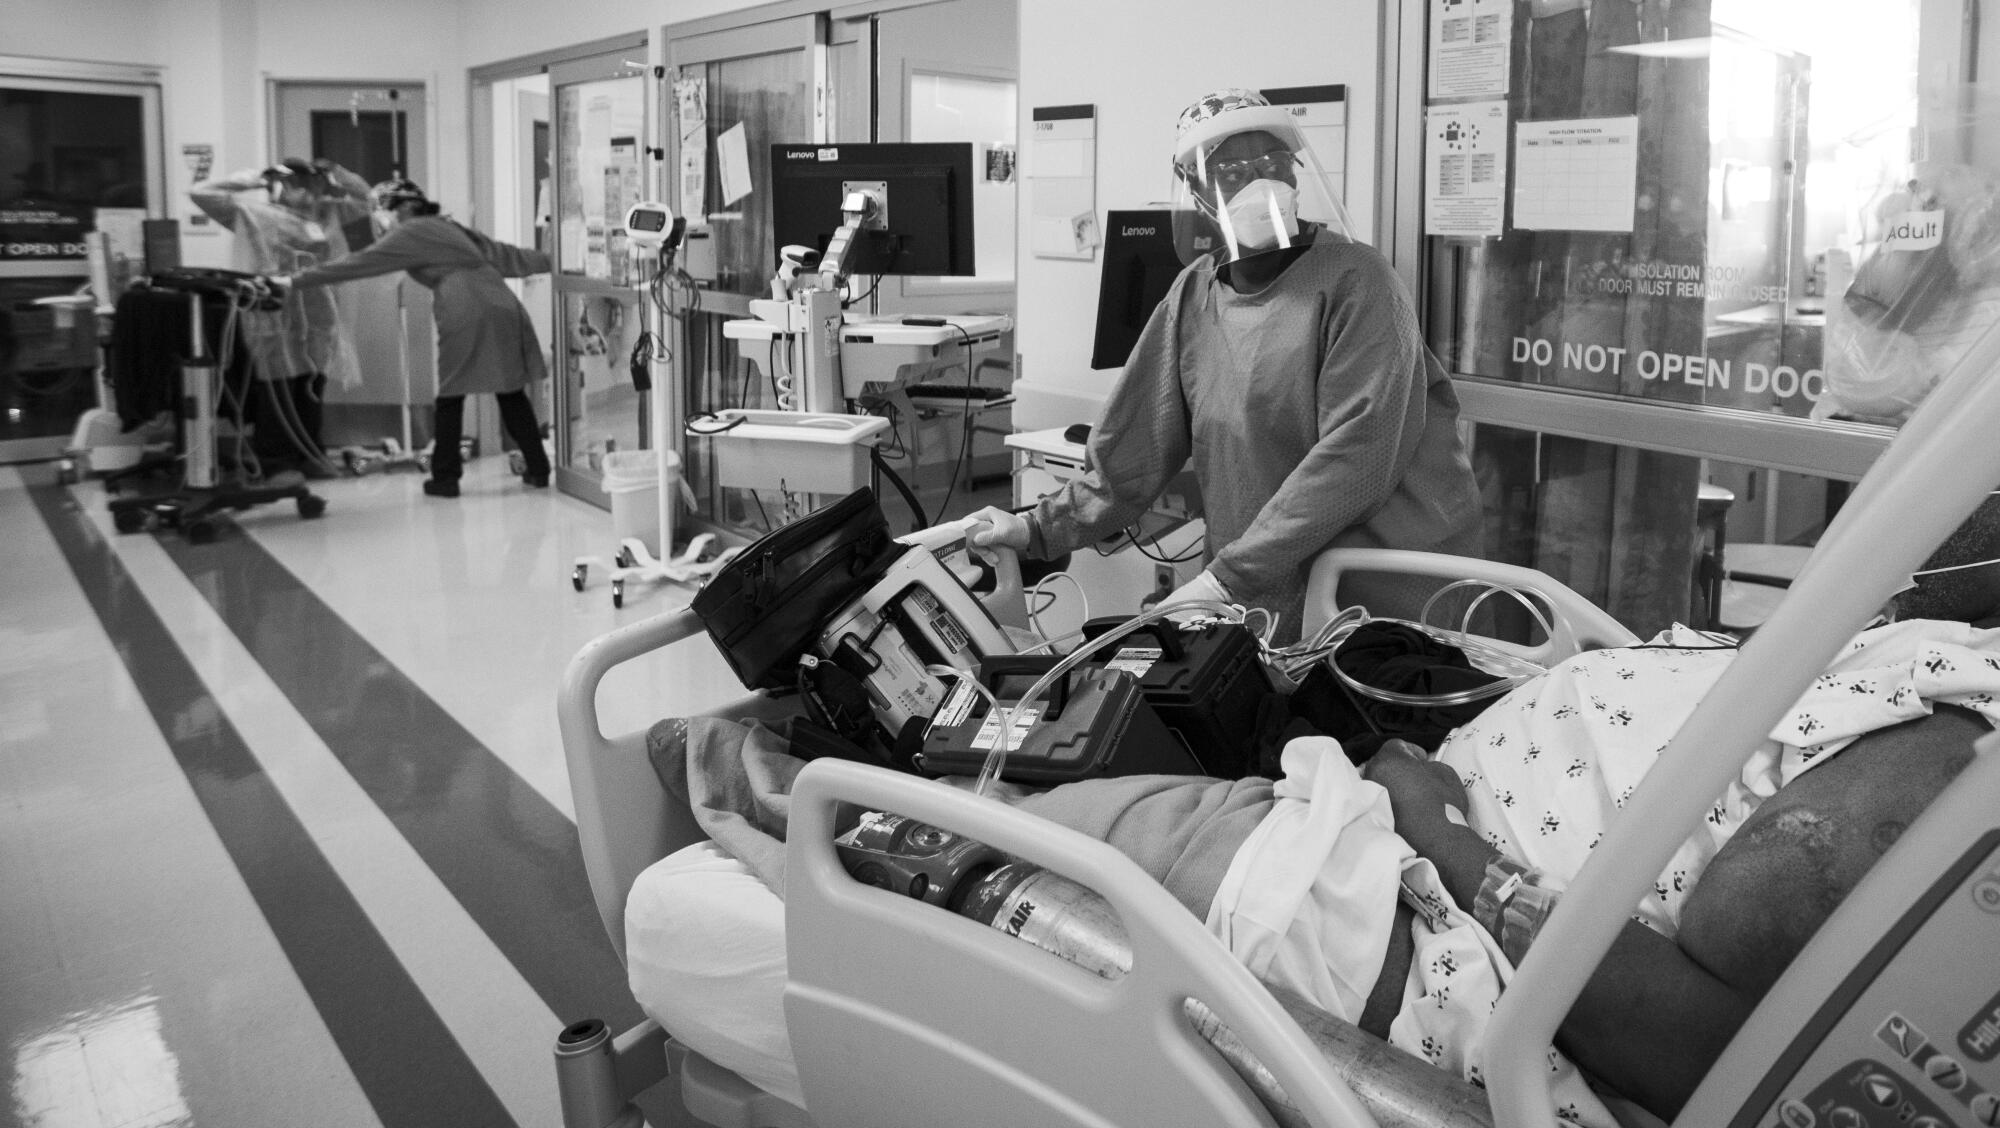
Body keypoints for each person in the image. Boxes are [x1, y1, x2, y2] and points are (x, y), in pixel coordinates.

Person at [631, 615, 1998, 1124]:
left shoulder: (1944, 815)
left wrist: (1451, 835)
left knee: (909, 830)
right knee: (1031, 761)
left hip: (1353, 890)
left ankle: (754, 795)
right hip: (1377, 824)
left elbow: (1725, 1058)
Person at [968, 90, 1482, 641]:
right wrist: (1035, 529)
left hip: (1375, 584)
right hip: (1263, 581)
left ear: (1295, 171)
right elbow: (1132, 448)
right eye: (1233, 172)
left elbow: (1358, 456)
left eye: (1272, 164)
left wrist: (1226, 579)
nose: (1260, 183)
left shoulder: (1360, 282)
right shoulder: (1194, 295)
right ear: (1196, 191)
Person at [277, 178, 554, 497]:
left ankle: (445, 478)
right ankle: (538, 469)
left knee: (451, 395)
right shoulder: (449, 227)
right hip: (502, 301)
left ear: (404, 208)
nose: (382, 220)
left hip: (465, 304)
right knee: (510, 390)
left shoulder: (410, 232)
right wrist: (560, 262)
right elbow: (508, 257)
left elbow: (360, 263)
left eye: (384, 212)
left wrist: (295, 281)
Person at [189, 157, 371, 477]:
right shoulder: (255, 214)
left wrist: (338, 174)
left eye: (306, 183)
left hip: (318, 311)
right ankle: (275, 462)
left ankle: (311, 455)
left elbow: (367, 199)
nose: (299, 191)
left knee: (312, 383)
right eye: (290, 184)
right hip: (273, 312)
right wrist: (254, 178)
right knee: (277, 386)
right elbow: (202, 193)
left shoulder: (330, 212)